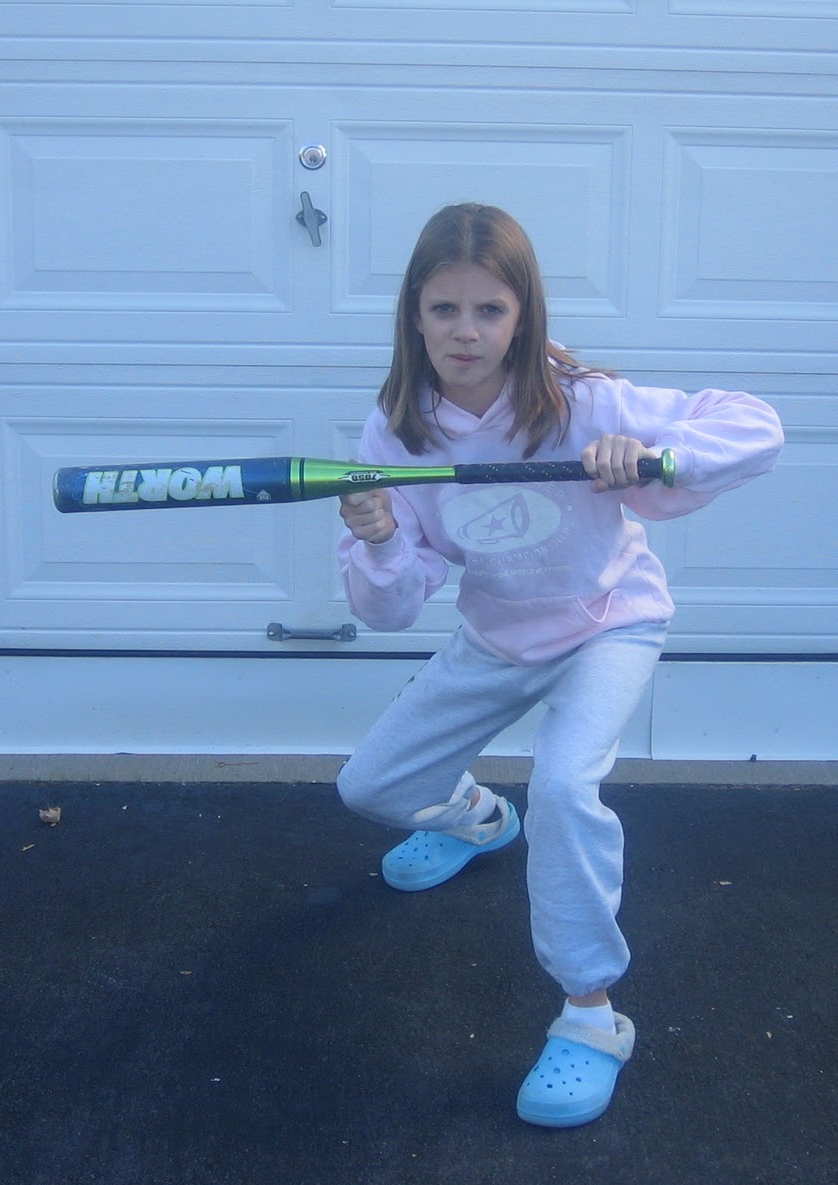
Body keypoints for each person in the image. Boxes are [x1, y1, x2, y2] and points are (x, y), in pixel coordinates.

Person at [335, 202, 783, 1128]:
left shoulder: (581, 400)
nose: (465, 332)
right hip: (497, 637)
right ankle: (475, 820)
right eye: (444, 309)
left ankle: (590, 1016)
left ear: (523, 314)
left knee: (565, 789)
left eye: (489, 311)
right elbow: (388, 610)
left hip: (609, 627)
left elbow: (756, 427)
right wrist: (379, 541)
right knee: (370, 787)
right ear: (413, 315)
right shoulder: (395, 435)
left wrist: (652, 456)